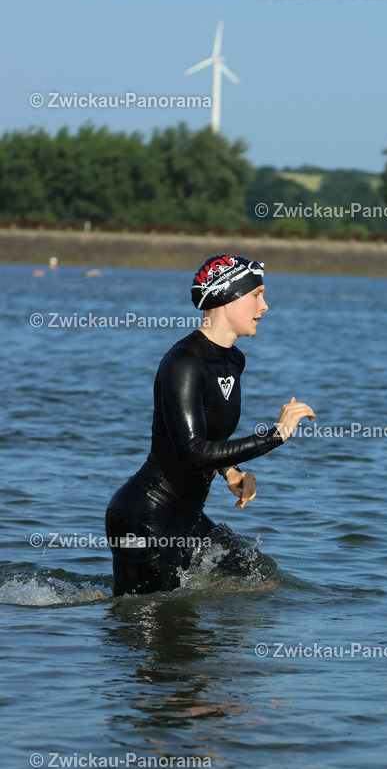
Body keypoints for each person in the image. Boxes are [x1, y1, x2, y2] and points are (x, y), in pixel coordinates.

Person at [105, 254, 315, 596]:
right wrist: (275, 434)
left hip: (185, 519)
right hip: (144, 520)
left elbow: (209, 436)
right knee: (153, 628)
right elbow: (193, 451)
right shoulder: (183, 362)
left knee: (250, 573)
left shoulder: (234, 359)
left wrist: (231, 471)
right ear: (225, 297)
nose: (265, 306)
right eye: (256, 295)